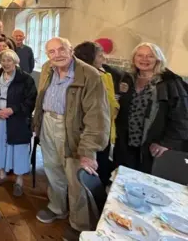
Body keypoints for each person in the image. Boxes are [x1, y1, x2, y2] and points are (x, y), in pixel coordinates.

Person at [32, 37, 110, 240]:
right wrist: (37, 124)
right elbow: (42, 98)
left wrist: (88, 150)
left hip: (73, 130)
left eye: (61, 50)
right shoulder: (48, 68)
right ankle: (57, 207)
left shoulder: (89, 75)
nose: (57, 55)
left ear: (71, 49)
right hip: (49, 123)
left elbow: (97, 116)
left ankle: (80, 223)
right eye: (51, 52)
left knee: (76, 178)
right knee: (52, 169)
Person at [114, 42, 188, 173]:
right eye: (140, 55)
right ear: (134, 58)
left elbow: (182, 117)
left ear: (158, 59)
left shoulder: (169, 82)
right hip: (126, 145)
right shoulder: (127, 78)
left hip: (153, 147)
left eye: (150, 56)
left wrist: (167, 143)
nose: (144, 59)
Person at [0, 49, 37, 197]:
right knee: (0, 146)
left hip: (18, 119)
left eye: (9, 60)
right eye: (3, 60)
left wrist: (13, 109)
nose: (6, 63)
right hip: (0, 118)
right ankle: (1, 175)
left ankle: (19, 181)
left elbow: (30, 100)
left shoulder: (26, 79)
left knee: (18, 149)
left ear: (15, 62)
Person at [74, 41, 119, 187]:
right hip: (88, 129)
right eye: (100, 56)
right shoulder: (83, 77)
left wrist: (115, 106)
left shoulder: (104, 74)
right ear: (89, 58)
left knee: (100, 164)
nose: (103, 59)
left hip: (103, 127)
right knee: (88, 170)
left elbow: (108, 102)